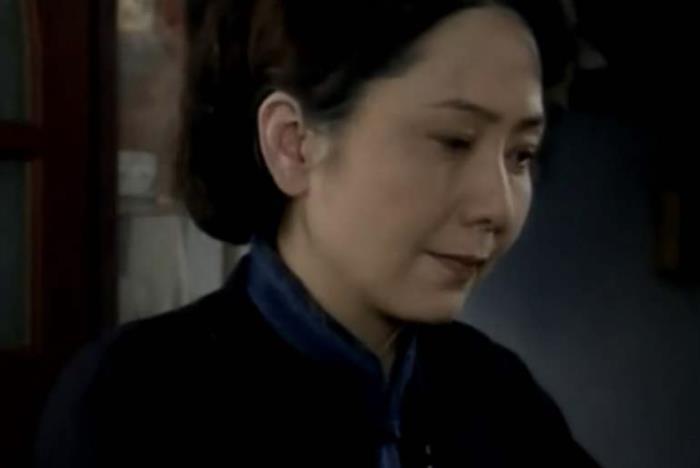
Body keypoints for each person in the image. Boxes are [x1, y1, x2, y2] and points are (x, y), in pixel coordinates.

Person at [37, 1, 602, 467]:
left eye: (521, 155)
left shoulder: (498, 396)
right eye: (453, 140)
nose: (497, 206)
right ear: (294, 143)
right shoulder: (135, 403)